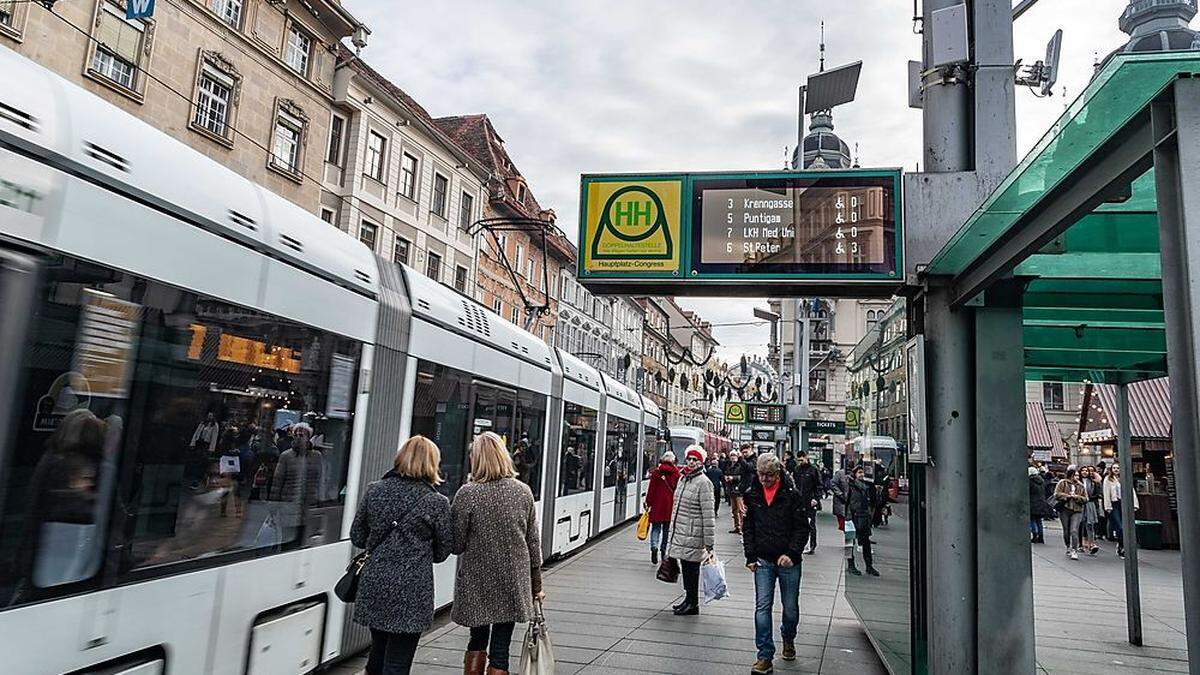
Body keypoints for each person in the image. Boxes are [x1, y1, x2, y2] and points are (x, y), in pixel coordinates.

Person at [350, 436, 452, 675]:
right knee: (398, 662)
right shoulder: (437, 502)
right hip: (412, 591)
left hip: (375, 583)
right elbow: (443, 551)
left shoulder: (375, 490)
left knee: (377, 652)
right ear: (432, 463)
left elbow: (356, 536)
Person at [452, 432, 543, 675]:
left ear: (477, 459)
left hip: (477, 582)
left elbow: (457, 544)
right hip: (511, 581)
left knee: (477, 640)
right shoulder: (523, 492)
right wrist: (537, 586)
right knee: (501, 648)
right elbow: (533, 544)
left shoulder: (467, 493)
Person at [743, 453, 809, 674]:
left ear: (777, 473)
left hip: (789, 561)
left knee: (790, 608)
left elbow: (802, 528)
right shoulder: (752, 494)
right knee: (762, 607)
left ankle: (788, 637)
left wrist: (791, 553)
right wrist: (750, 557)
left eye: (768, 476)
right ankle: (764, 655)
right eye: (760, 475)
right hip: (763, 559)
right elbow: (748, 528)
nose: (764, 480)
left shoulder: (792, 495)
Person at [666, 445, 715, 616]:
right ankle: (688, 600)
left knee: (691, 569)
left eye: (695, 460)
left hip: (694, 534)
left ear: (701, 462)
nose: (692, 462)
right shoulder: (683, 479)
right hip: (681, 531)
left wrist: (709, 542)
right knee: (686, 568)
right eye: (690, 459)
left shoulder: (704, 483)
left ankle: (693, 604)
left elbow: (708, 515)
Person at [644, 450, 680, 564]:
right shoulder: (676, 474)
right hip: (670, 506)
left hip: (657, 505)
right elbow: (677, 491)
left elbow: (651, 490)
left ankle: (654, 547)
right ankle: (663, 551)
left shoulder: (656, 473)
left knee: (655, 529)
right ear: (673, 460)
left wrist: (648, 503)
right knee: (666, 530)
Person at [847, 465, 878, 576]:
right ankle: (851, 565)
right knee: (850, 543)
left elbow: (872, 502)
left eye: (863, 472)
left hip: (864, 517)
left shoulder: (867, 486)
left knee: (866, 543)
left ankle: (869, 566)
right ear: (855, 474)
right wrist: (848, 518)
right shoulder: (850, 486)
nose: (862, 474)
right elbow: (846, 502)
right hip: (853, 517)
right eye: (859, 472)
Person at [1103, 465, 1138, 558]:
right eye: (1114, 468)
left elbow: (1131, 491)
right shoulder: (1108, 479)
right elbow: (1106, 493)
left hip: (1124, 503)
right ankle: (1122, 546)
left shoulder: (1125, 478)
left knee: (1125, 526)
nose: (1116, 470)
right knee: (1119, 526)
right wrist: (1107, 506)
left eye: (1118, 468)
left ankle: (1121, 545)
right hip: (1114, 504)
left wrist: (1134, 504)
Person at [1054, 466, 1088, 560]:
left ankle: (1074, 550)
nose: (1076, 477)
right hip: (1065, 509)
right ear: (1070, 475)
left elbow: (1086, 499)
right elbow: (1056, 494)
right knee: (1066, 530)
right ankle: (1068, 546)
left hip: (1077, 510)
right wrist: (1067, 496)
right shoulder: (1062, 483)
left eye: (1077, 475)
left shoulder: (1081, 486)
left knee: (1074, 530)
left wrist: (1077, 497)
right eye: (1075, 475)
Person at [791, 450, 822, 554]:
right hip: (800, 500)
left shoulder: (813, 470)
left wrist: (816, 499)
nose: (800, 462)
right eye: (799, 460)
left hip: (810, 500)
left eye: (801, 460)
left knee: (811, 524)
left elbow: (818, 485)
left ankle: (812, 545)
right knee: (799, 522)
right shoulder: (797, 469)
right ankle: (802, 544)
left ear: (806, 457)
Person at [1028, 466, 1053, 544]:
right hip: (1041, 503)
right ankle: (1041, 537)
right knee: (1039, 521)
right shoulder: (1042, 481)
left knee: (1032, 520)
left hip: (1032, 503)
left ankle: (1035, 535)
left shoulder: (1029, 481)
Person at [1081, 466, 1102, 556]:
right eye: (1083, 470)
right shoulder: (1078, 481)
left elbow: (1098, 493)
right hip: (1080, 504)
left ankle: (1091, 543)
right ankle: (1081, 542)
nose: (1085, 472)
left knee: (1090, 523)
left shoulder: (1093, 482)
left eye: (1087, 471)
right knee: (1081, 523)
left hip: (1090, 504)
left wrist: (1090, 498)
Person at [725, 447, 748, 534]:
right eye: (731, 455)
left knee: (740, 509)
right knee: (734, 510)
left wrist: (733, 478)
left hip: (739, 490)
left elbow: (742, 477)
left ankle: (742, 527)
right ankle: (737, 526)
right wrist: (726, 478)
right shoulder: (729, 465)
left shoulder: (741, 465)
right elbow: (726, 473)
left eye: (734, 455)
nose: (733, 457)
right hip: (731, 489)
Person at [830, 463, 850, 531]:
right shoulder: (840, 473)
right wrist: (840, 494)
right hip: (841, 502)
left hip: (850, 503)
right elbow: (833, 484)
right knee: (845, 526)